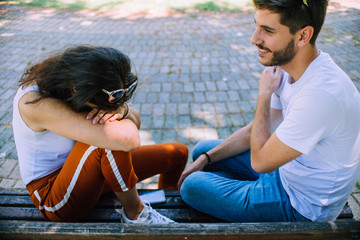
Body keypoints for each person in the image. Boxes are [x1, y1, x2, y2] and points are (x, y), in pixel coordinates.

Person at [178, 0, 360, 222]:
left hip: (302, 205)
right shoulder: (289, 67)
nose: (254, 39)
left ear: (303, 36)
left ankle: (235, 197)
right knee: (202, 151)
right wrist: (206, 158)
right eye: (257, 26)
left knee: (191, 186)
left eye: (268, 31)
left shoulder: (320, 96)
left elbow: (261, 162)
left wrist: (263, 96)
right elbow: (257, 130)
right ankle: (231, 190)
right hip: (286, 170)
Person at [12, 45, 188, 223]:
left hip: (89, 170)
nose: (108, 108)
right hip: (53, 196)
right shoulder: (36, 103)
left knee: (177, 153)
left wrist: (122, 109)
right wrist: (120, 119)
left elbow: (136, 120)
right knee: (108, 141)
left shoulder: (80, 82)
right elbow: (128, 139)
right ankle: (136, 213)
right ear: (78, 91)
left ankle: (166, 209)